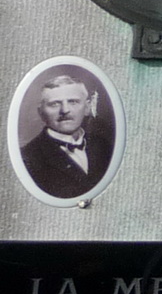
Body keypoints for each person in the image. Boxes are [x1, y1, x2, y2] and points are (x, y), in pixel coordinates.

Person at [19, 70, 112, 199]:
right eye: (55, 104)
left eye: (73, 102)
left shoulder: (104, 146)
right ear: (41, 113)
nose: (65, 110)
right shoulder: (28, 158)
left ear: (87, 108)